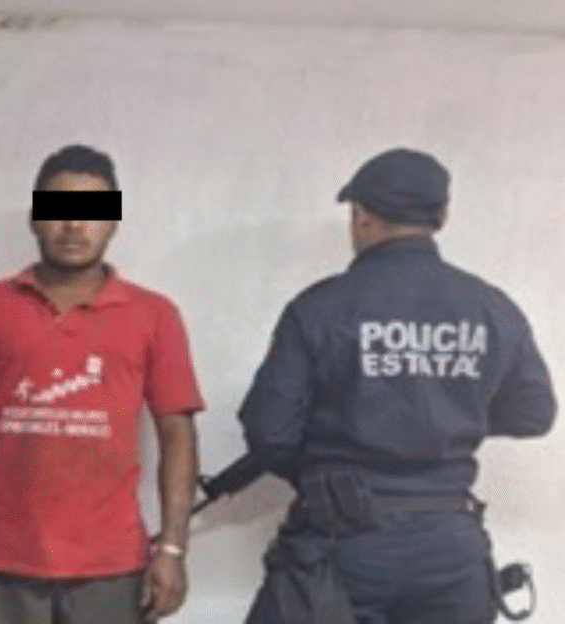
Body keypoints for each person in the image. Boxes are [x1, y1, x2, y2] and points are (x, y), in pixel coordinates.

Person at [237, 147, 556, 624]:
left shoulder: (320, 307)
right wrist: (448, 412)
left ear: (362, 216)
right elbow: (534, 414)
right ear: (442, 216)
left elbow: (269, 433)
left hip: (343, 544)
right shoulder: (491, 307)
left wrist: (330, 470)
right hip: (451, 549)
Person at [0, 144, 204, 624]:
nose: (74, 224)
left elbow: (178, 433)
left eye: (91, 210)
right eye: (58, 208)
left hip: (113, 569)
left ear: (113, 222)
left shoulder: (155, 316)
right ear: (35, 218)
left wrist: (173, 549)